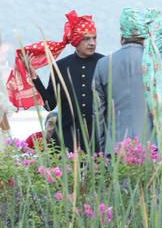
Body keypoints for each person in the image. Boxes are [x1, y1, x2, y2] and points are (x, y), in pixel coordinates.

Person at [7, 10, 102, 152]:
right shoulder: (60, 66)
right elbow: (49, 104)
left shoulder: (104, 63)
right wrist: (34, 76)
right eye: (86, 39)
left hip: (96, 139)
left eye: (94, 38)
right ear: (76, 41)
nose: (92, 43)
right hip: (66, 140)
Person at [93, 8, 162, 151]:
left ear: (123, 32)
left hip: (117, 149)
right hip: (152, 148)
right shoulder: (159, 61)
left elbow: (98, 114)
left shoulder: (103, 64)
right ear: (145, 30)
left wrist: (103, 150)